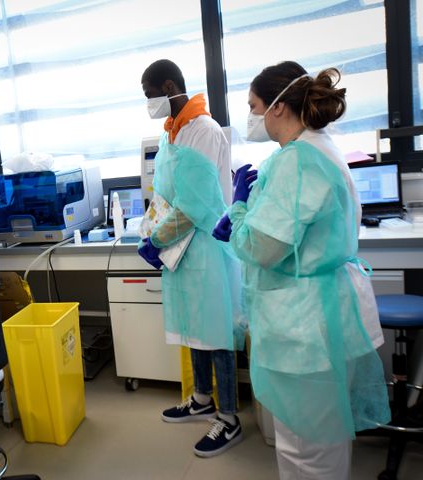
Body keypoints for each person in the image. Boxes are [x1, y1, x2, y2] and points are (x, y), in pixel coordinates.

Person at [212, 61, 391, 479]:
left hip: (304, 324)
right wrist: (249, 212)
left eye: (253, 105)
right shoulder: (319, 148)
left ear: (278, 107)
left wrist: (239, 210)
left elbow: (263, 247)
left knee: (305, 446)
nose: (251, 117)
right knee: (321, 439)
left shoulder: (297, 161)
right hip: (319, 315)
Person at [139, 59, 245, 457]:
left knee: (216, 333)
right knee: (195, 329)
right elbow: (164, 194)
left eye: (150, 95)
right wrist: (149, 230)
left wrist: (157, 239)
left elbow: (195, 205)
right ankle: (202, 398)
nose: (149, 104)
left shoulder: (202, 129)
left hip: (204, 246)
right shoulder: (173, 132)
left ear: (169, 86)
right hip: (179, 247)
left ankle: (230, 418)